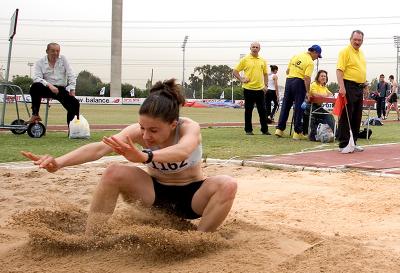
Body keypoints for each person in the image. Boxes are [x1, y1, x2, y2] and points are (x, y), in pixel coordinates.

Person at [21, 79, 237, 234]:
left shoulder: (189, 128)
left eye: (153, 130)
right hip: (155, 195)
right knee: (114, 171)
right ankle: (92, 237)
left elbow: (182, 151)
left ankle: (199, 239)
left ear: (172, 124)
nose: (145, 135)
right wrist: (59, 162)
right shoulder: (138, 132)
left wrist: (144, 157)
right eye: (142, 128)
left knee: (228, 184)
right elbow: (100, 149)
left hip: (192, 197)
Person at [275, 45, 322, 140]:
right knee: (299, 108)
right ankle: (297, 132)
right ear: (315, 52)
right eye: (317, 56)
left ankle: (279, 130)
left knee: (285, 106)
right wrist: (308, 92)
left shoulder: (296, 56)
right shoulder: (310, 62)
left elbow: (287, 71)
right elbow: (307, 78)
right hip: (299, 82)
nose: (316, 59)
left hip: (289, 81)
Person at [28, 42, 80, 126]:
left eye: (57, 51)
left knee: (75, 103)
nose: (55, 53)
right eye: (53, 51)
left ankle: (73, 128)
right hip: (46, 88)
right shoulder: (40, 62)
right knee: (35, 86)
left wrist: (72, 88)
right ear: (47, 51)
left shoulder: (63, 59)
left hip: (60, 89)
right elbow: (37, 78)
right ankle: (35, 114)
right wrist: (49, 85)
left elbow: (71, 74)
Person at [336, 30, 367, 153]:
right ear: (350, 39)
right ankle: (344, 144)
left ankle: (353, 142)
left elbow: (360, 71)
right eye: (355, 39)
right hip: (348, 86)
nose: (357, 42)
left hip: (359, 87)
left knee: (357, 116)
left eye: (359, 40)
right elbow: (339, 70)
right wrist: (342, 87)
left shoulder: (361, 53)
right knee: (346, 115)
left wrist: (364, 85)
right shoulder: (345, 52)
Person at [232, 42, 270, 135]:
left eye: (257, 47)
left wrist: (266, 85)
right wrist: (241, 79)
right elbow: (235, 71)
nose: (255, 48)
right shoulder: (245, 59)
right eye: (253, 47)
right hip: (248, 89)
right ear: (250, 48)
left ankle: (264, 130)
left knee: (262, 111)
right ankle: (248, 130)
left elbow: (265, 74)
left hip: (260, 89)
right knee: (248, 110)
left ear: (259, 49)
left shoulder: (263, 60)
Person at [303, 70, 335, 139]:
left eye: (325, 76)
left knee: (330, 116)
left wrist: (324, 95)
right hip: (311, 106)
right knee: (328, 116)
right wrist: (325, 95)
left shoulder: (324, 87)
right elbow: (315, 95)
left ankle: (334, 134)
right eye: (322, 76)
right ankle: (335, 134)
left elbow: (331, 94)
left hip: (319, 107)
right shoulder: (314, 84)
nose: (323, 77)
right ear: (318, 77)